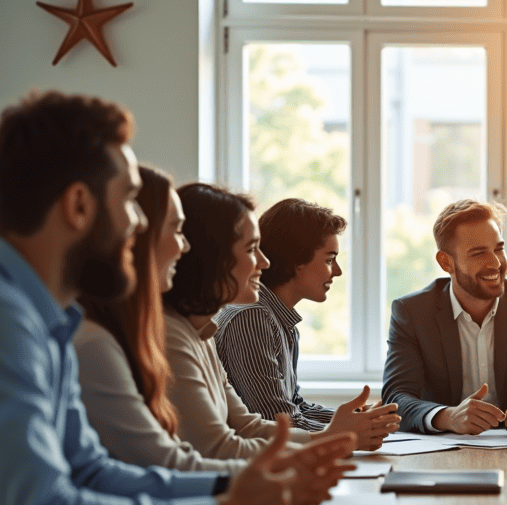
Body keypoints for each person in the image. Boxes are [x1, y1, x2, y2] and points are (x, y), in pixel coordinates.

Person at [0, 92, 354, 505]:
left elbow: (93, 472)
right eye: (128, 202)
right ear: (78, 206)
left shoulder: (44, 319)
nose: (138, 228)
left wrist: (238, 486)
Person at [163, 183, 398, 459]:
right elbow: (237, 437)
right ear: (215, 257)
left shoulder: (202, 333)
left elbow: (252, 425)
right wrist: (337, 437)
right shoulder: (248, 318)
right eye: (252, 249)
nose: (264, 262)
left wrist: (347, 428)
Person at [74, 165, 247, 472]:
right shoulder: (95, 343)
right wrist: (287, 468)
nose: (185, 246)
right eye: (176, 229)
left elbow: (166, 456)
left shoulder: (136, 334)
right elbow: (172, 462)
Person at [382, 199, 507, 435]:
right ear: (446, 262)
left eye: (498, 249)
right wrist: (449, 417)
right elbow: (396, 398)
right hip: (441, 451)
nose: (496, 263)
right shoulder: (412, 313)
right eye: (478, 253)